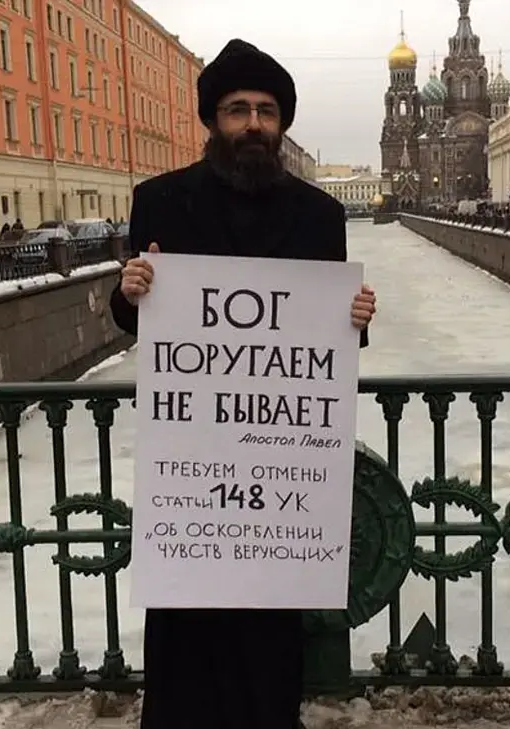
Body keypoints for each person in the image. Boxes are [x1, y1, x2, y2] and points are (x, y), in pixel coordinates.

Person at [108, 38, 376, 729]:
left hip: (275, 481)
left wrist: (353, 317)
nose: (253, 123)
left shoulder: (319, 216)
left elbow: (324, 345)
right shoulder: (159, 202)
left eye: (266, 111)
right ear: (213, 120)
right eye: (237, 110)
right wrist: (130, 289)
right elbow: (140, 322)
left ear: (280, 123)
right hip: (193, 474)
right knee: (185, 644)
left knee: (267, 646)